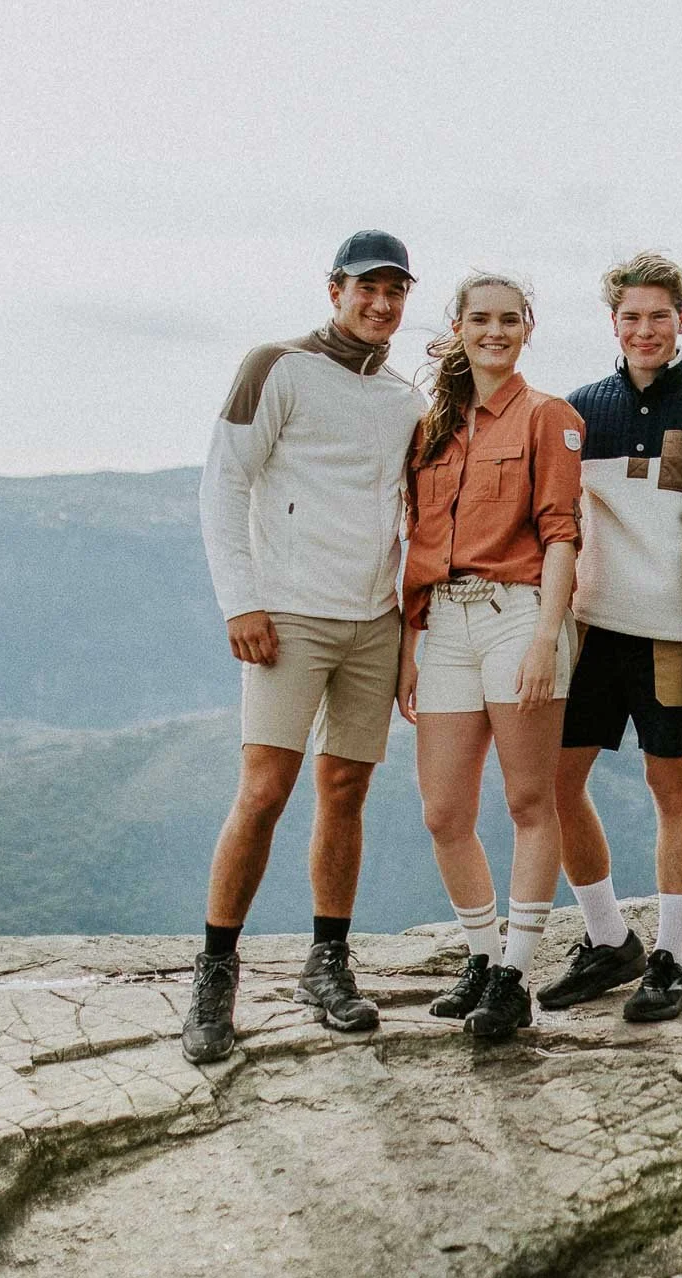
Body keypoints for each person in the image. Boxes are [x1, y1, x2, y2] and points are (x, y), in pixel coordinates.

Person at [186, 230, 424, 1065]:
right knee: (263, 791)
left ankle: (327, 964)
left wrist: (410, 630)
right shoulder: (277, 366)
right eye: (367, 288)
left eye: (395, 291)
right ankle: (216, 976)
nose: (381, 304)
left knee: (346, 789)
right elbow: (224, 480)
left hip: (374, 619)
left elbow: (411, 516)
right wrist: (242, 601)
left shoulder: (404, 398)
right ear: (335, 290)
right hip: (287, 615)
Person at [397, 272, 584, 1042]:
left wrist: (545, 636)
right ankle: (480, 956)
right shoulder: (432, 429)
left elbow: (562, 535)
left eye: (510, 320)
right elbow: (416, 541)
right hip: (444, 622)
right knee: (443, 811)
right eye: (481, 319)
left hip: (517, 617)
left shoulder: (548, 417)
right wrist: (410, 646)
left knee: (529, 801)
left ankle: (515, 976)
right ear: (460, 327)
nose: (495, 332)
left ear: (527, 328)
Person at [541, 253, 682, 1022]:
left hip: (676, 635)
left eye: (659, 316)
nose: (646, 330)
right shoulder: (580, 410)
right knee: (555, 783)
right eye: (632, 317)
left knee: (672, 788)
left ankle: (673, 959)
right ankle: (610, 939)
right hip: (593, 629)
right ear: (613, 323)